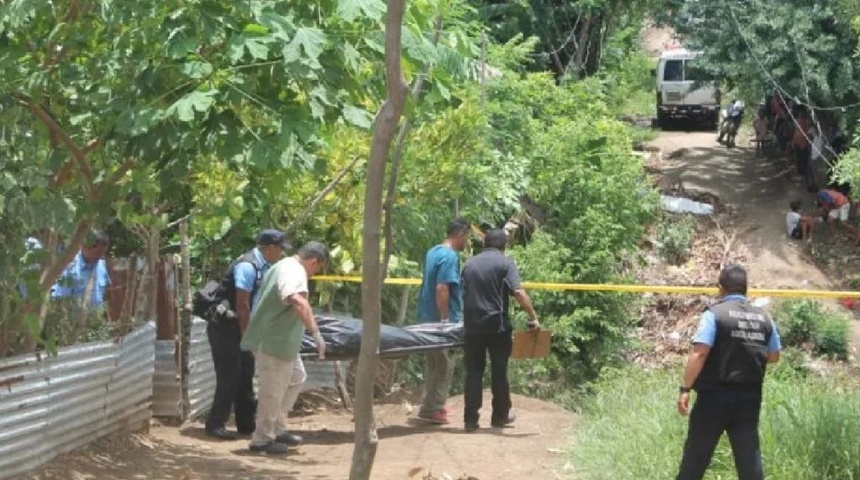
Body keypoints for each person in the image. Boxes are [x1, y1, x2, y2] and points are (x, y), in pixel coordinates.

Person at [675, 264, 781, 480]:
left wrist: (685, 389)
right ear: (746, 289)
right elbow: (774, 356)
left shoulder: (715, 314)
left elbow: (700, 353)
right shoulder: (764, 317)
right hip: (749, 398)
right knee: (749, 460)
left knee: (695, 459)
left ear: (720, 288)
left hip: (714, 397)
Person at [241, 241, 328, 455]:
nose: (315, 273)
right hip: (273, 342)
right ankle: (262, 439)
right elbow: (297, 299)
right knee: (271, 392)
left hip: (282, 343)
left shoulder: (284, 265)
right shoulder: (294, 271)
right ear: (314, 261)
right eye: (318, 268)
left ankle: (277, 428)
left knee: (297, 377)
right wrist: (316, 333)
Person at [205, 229, 289, 440]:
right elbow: (242, 304)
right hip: (225, 326)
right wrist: (248, 337)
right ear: (270, 248)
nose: (281, 254)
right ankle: (215, 423)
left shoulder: (264, 266)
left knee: (246, 373)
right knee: (230, 375)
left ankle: (246, 424)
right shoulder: (247, 266)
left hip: (240, 325)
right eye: (280, 249)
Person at [461, 228, 539, 432]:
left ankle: (470, 420)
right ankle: (499, 417)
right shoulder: (506, 263)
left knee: (473, 373)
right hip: (497, 326)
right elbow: (519, 293)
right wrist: (533, 317)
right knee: (499, 371)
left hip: (471, 326)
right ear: (504, 245)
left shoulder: (469, 264)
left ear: (485, 243)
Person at [415, 218, 471, 424]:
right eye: (467, 237)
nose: (467, 242)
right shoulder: (449, 257)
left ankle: (429, 404)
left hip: (426, 318)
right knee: (444, 365)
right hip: (441, 321)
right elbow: (442, 288)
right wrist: (446, 319)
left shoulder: (433, 252)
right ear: (460, 235)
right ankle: (434, 408)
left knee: (432, 363)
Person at [50, 229, 111, 308]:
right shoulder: (70, 268)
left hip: (94, 317)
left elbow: (106, 292)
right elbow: (60, 299)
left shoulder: (101, 266)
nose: (101, 256)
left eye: (103, 253)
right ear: (84, 247)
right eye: (98, 253)